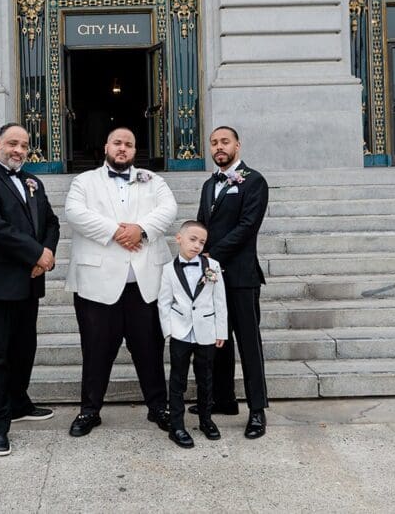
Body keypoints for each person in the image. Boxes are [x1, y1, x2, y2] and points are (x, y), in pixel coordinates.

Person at [64, 127, 178, 437]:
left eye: (129, 143)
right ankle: (89, 410)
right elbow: (74, 213)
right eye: (117, 142)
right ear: (106, 146)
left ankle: (158, 408)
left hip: (146, 284)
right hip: (96, 285)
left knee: (150, 350)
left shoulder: (153, 180)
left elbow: (169, 209)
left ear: (134, 149)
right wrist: (117, 231)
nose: (123, 148)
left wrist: (140, 229)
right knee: (96, 351)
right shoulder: (83, 181)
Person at [0, 123, 61, 456]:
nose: (19, 150)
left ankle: (18, 402)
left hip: (29, 281)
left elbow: (51, 223)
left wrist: (46, 255)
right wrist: (37, 253)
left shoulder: (34, 182)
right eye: (12, 144)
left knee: (24, 348)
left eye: (24, 145)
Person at [192, 126, 270, 439]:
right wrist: (195, 248)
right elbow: (201, 223)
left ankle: (257, 410)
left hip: (241, 276)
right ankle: (224, 400)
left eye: (225, 142)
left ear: (237, 144)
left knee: (249, 344)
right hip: (213, 278)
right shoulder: (208, 184)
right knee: (218, 341)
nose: (219, 147)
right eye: (214, 143)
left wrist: (212, 252)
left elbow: (248, 226)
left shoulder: (254, 180)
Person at [157, 220, 228, 448]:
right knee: (177, 379)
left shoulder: (212, 266)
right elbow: (164, 302)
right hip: (180, 332)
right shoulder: (168, 269)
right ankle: (176, 425)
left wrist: (221, 330)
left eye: (202, 242)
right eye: (193, 239)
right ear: (179, 238)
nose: (197, 245)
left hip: (206, 331)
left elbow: (220, 301)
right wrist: (169, 330)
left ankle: (206, 420)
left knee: (206, 378)